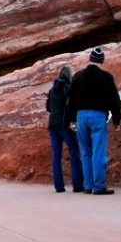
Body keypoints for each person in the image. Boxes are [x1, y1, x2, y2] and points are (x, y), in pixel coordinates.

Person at [67, 47, 121, 195]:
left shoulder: (78, 76)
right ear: (102, 61)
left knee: (85, 152)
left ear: (90, 59)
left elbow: (71, 101)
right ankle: (98, 186)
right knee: (98, 151)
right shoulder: (106, 77)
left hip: (80, 116)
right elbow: (114, 100)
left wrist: (71, 120)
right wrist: (116, 119)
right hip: (98, 116)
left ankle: (88, 185)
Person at [45, 66, 85, 194]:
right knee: (74, 152)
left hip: (53, 125)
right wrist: (73, 123)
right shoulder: (68, 88)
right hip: (65, 125)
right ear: (69, 75)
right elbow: (73, 106)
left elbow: (48, 107)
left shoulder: (52, 90)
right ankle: (78, 184)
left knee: (56, 155)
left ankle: (59, 186)